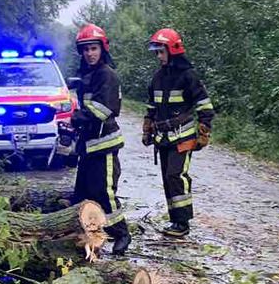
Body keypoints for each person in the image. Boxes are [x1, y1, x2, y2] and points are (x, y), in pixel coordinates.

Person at [61, 23, 132, 256]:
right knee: (81, 194)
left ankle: (121, 234)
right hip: (90, 146)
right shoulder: (87, 76)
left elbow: (102, 110)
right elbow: (86, 111)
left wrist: (75, 119)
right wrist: (74, 129)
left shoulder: (107, 75)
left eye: (93, 48)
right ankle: (85, 239)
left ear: (102, 49)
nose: (90, 53)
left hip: (105, 146)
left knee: (104, 192)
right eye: (86, 49)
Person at [142, 28, 213, 238]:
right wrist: (147, 128)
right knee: (167, 178)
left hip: (183, 136)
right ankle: (174, 220)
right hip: (162, 138)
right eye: (156, 52)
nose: (159, 56)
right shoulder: (157, 78)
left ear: (173, 50)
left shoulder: (187, 76)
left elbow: (204, 105)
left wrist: (204, 130)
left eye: (161, 52)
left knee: (176, 175)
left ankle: (182, 222)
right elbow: (151, 107)